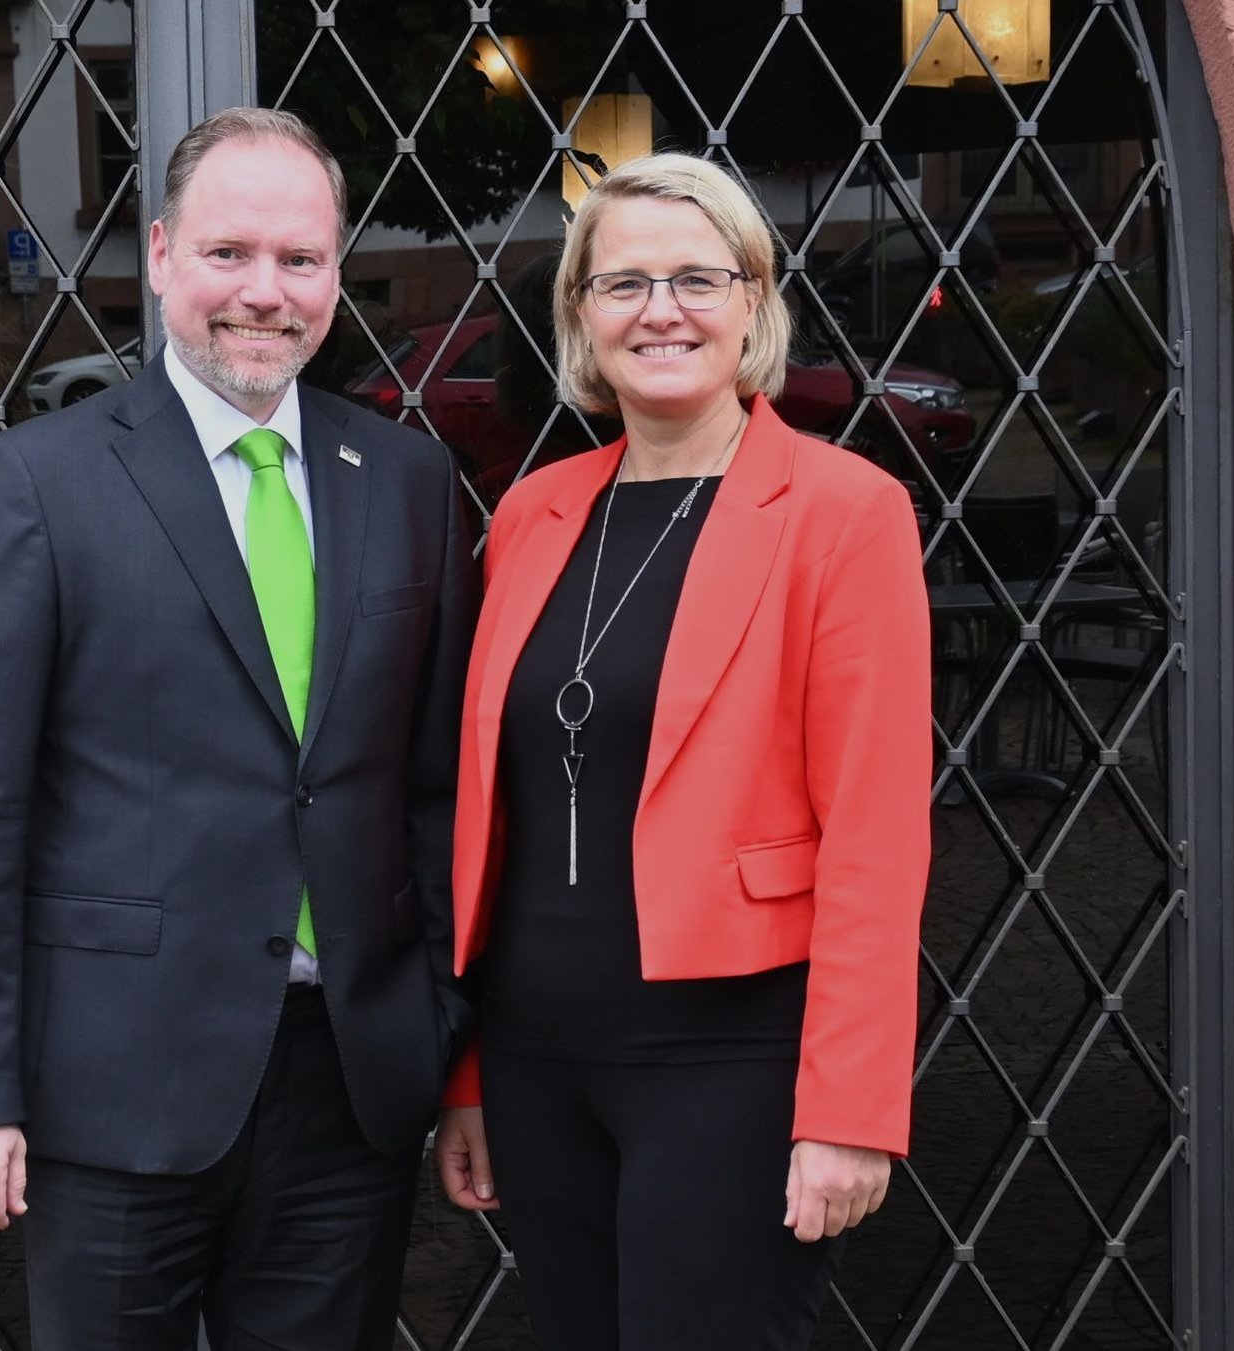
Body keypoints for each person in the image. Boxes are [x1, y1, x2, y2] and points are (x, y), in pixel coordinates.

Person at [0, 107, 477, 1351]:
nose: (264, 293)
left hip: (349, 1088)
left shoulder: (412, 482)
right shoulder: (39, 483)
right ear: (160, 256)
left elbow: (427, 785)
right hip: (115, 1086)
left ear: (335, 273)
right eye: (229, 254)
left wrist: (434, 1021)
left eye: (300, 260)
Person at [429, 152, 932, 1350]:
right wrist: (470, 1075)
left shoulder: (843, 512)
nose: (661, 311)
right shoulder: (534, 512)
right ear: (580, 321)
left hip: (732, 1062)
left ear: (754, 301)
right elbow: (489, 815)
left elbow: (875, 832)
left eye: (698, 278)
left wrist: (852, 1109)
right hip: (541, 1059)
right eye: (623, 285)